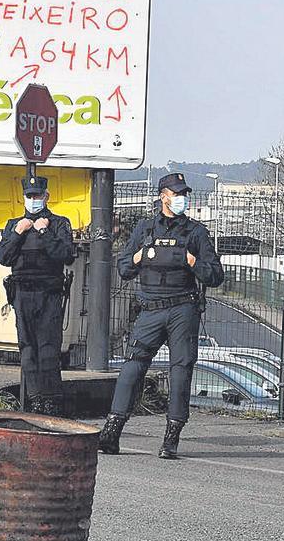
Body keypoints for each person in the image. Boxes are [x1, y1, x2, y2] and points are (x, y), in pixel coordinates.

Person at [96, 173, 225, 459]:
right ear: (163, 195)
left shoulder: (196, 232)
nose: (182, 198)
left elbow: (215, 275)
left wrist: (192, 261)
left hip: (182, 309)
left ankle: (171, 438)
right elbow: (125, 268)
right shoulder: (145, 228)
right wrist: (142, 255)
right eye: (176, 193)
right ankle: (112, 430)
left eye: (184, 193)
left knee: (181, 371)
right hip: (151, 309)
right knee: (132, 367)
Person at [0, 175, 77, 416]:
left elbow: (66, 255)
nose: (34, 200)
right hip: (22, 292)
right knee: (28, 349)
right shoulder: (14, 224)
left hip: (48, 293)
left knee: (49, 348)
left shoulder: (59, 224)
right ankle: (34, 400)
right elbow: (2, 258)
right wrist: (18, 233)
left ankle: (51, 402)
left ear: (46, 196)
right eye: (30, 196)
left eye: (38, 195)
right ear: (24, 198)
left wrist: (44, 233)